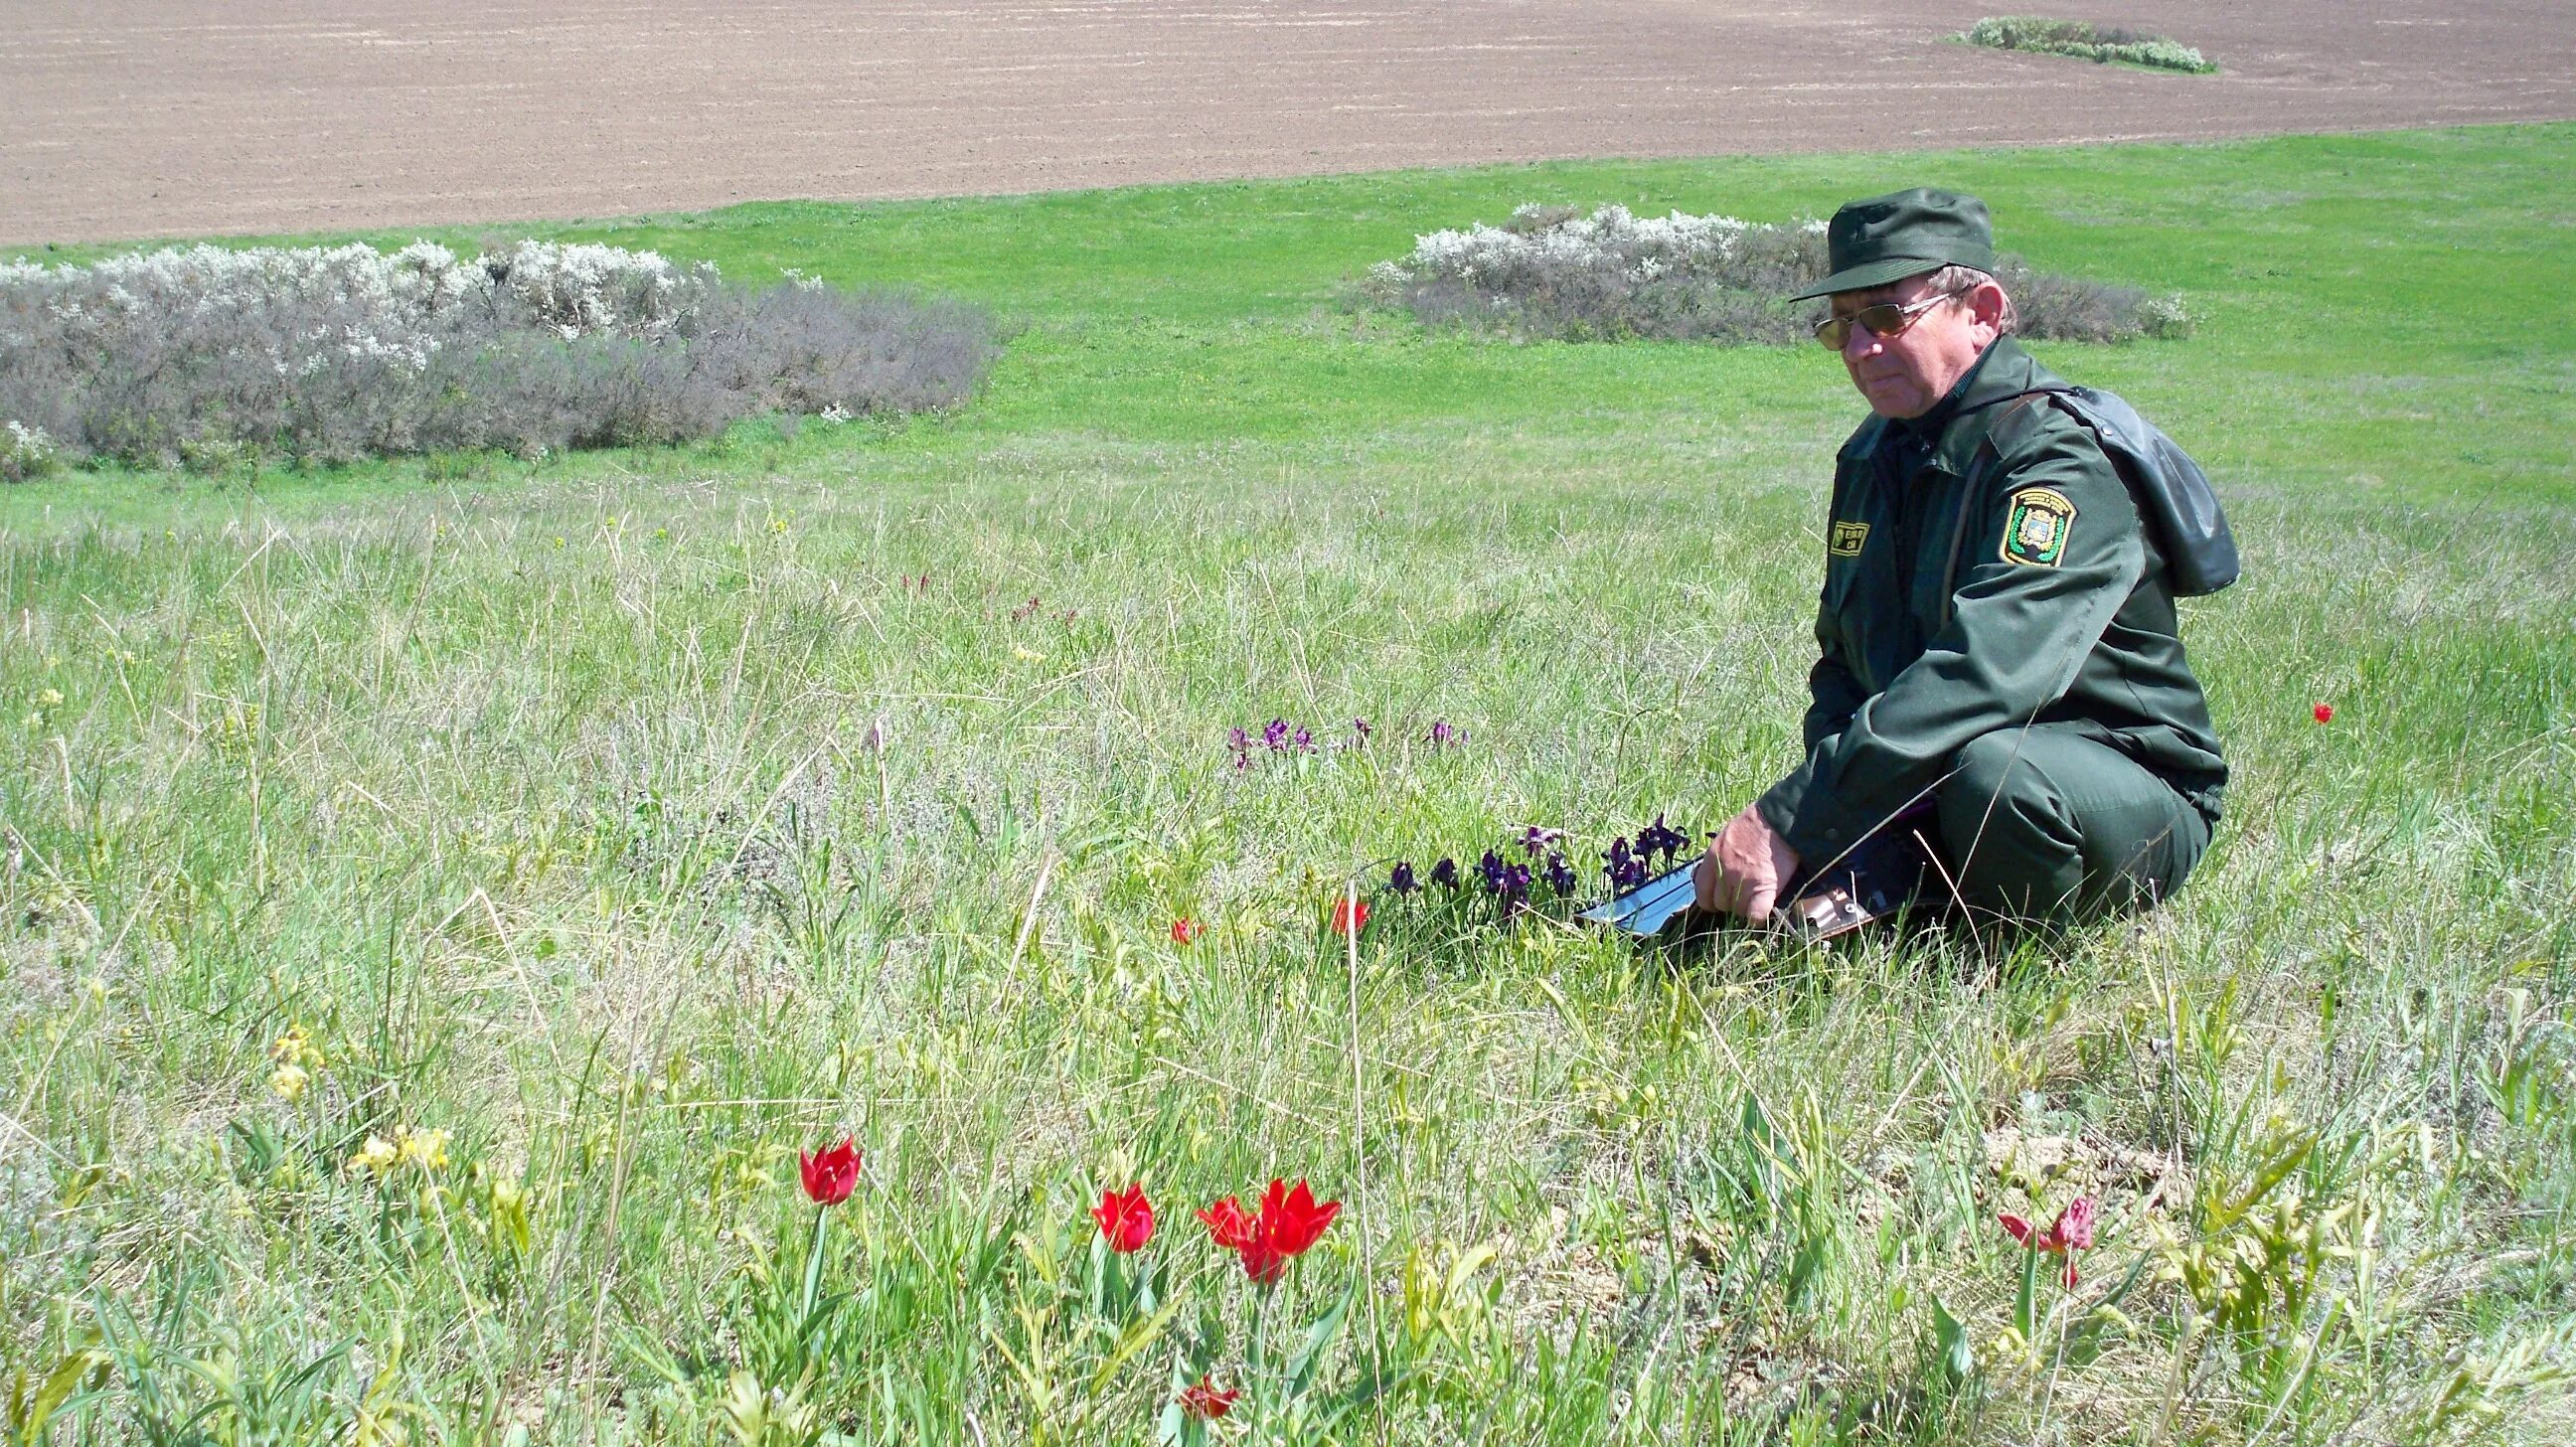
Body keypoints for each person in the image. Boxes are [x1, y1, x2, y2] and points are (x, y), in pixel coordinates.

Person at [1695, 188, 2225, 929]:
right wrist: (1841, 834)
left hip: (2116, 782)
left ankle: (1993, 958)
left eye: (1885, 316)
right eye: (1839, 325)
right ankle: (1903, 898)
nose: (1858, 348)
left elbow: (1989, 673)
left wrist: (1794, 814)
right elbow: (1844, 666)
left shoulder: (2057, 460)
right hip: (1941, 777)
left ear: (1981, 312)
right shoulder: (1873, 455)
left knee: (2000, 778)